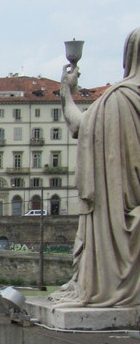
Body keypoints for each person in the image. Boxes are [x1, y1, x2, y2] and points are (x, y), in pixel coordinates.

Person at [51, 27, 140, 307]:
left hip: (119, 212)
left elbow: (80, 125)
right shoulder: (118, 100)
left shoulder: (119, 100)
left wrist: (66, 91)